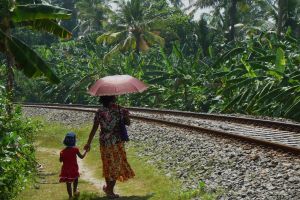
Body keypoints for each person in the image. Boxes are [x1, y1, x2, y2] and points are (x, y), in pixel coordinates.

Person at [84, 96, 135, 199]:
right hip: (117, 141)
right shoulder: (120, 109)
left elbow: (94, 128)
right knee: (115, 165)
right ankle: (110, 191)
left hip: (104, 142)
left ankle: (109, 189)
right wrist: (124, 115)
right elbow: (128, 123)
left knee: (108, 165)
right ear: (114, 98)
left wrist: (88, 143)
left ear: (102, 99)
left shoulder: (100, 111)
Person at [59, 132, 87, 199]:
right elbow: (82, 157)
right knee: (75, 180)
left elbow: (60, 160)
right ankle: (75, 192)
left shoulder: (62, 151)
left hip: (65, 170)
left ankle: (70, 196)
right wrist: (86, 151)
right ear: (74, 141)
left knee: (68, 183)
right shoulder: (75, 149)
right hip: (73, 169)